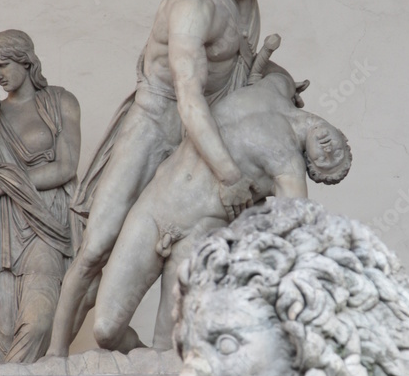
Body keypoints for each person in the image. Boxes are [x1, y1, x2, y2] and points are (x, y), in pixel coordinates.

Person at [45, 0, 292, 357]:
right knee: (97, 246)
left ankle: (162, 358)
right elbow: (189, 96)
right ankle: (50, 358)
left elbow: (235, 84)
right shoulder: (193, 3)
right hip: (156, 123)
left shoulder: (248, 6)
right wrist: (226, 172)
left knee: (192, 248)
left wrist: (277, 87)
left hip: (198, 134)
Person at [90, 64, 351, 353]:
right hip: (154, 208)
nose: (329, 151)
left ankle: (142, 370)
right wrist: (258, 66)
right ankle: (137, 361)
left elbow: (295, 229)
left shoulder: (288, 167)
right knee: (105, 330)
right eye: (338, 150)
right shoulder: (278, 86)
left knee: (167, 349)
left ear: (310, 165)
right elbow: (261, 63)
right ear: (339, 131)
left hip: (194, 241)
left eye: (327, 161)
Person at [0, 30, 81, 376]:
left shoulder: (59, 102)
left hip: (45, 221)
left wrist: (6, 185)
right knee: (4, 329)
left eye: (3, 65)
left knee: (39, 319)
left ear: (26, 61)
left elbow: (66, 167)